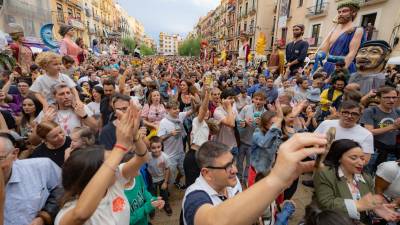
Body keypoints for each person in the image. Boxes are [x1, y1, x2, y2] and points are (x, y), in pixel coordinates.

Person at [181, 133, 329, 225]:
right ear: (207, 173)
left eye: (233, 162)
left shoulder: (230, 181)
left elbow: (240, 208)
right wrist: (277, 178)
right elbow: (215, 221)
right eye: (227, 167)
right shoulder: (195, 196)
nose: (235, 169)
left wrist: (274, 207)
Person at [54, 102, 148, 225]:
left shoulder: (114, 182)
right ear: (92, 176)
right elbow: (81, 215)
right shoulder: (67, 213)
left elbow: (141, 158)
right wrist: (120, 147)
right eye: (108, 165)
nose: (115, 167)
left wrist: (135, 135)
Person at [313, 139, 399, 223]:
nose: (360, 163)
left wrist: (376, 208)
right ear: (339, 158)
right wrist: (357, 205)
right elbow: (326, 203)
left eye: (362, 158)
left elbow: (368, 203)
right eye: (354, 158)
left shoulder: (365, 177)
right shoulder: (325, 173)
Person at [2, 134, 63, 225]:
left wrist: (44, 216)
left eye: (0, 158)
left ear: (14, 154)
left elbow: (64, 188)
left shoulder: (41, 167)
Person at [360, 86, 400, 171]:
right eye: (387, 97)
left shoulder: (397, 112)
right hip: (374, 152)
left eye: (394, 97)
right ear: (379, 98)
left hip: (392, 153)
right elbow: (369, 132)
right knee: (370, 178)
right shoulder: (370, 111)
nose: (391, 100)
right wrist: (393, 126)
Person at [320, 1, 365, 75]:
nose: (340, 14)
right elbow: (323, 50)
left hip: (343, 68)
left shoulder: (357, 30)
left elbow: (351, 54)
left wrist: (337, 73)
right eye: (339, 12)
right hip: (327, 67)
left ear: (353, 13)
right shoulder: (333, 30)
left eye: (344, 11)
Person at [157, 99, 191, 189]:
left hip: (180, 152)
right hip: (170, 155)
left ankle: (177, 181)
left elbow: (193, 111)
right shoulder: (163, 122)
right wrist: (170, 134)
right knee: (169, 177)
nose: (177, 110)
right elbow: (159, 138)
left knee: (184, 171)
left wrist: (194, 99)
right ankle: (166, 190)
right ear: (168, 110)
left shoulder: (179, 116)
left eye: (178, 108)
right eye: (174, 109)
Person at [237, 91, 267, 184]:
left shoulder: (266, 113)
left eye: (261, 100)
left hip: (254, 144)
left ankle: (246, 180)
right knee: (239, 162)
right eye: (256, 99)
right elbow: (238, 120)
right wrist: (244, 122)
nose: (258, 101)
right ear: (253, 99)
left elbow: (267, 130)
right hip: (242, 140)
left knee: (249, 165)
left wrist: (261, 125)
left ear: (264, 101)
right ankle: (238, 179)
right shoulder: (246, 108)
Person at [147, 136, 173, 216]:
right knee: (152, 196)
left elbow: (167, 169)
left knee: (164, 194)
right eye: (153, 148)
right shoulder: (147, 156)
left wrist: (165, 182)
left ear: (162, 146)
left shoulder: (165, 157)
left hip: (162, 179)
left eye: (159, 147)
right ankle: (151, 208)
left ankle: (166, 205)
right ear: (150, 148)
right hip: (152, 181)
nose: (156, 150)